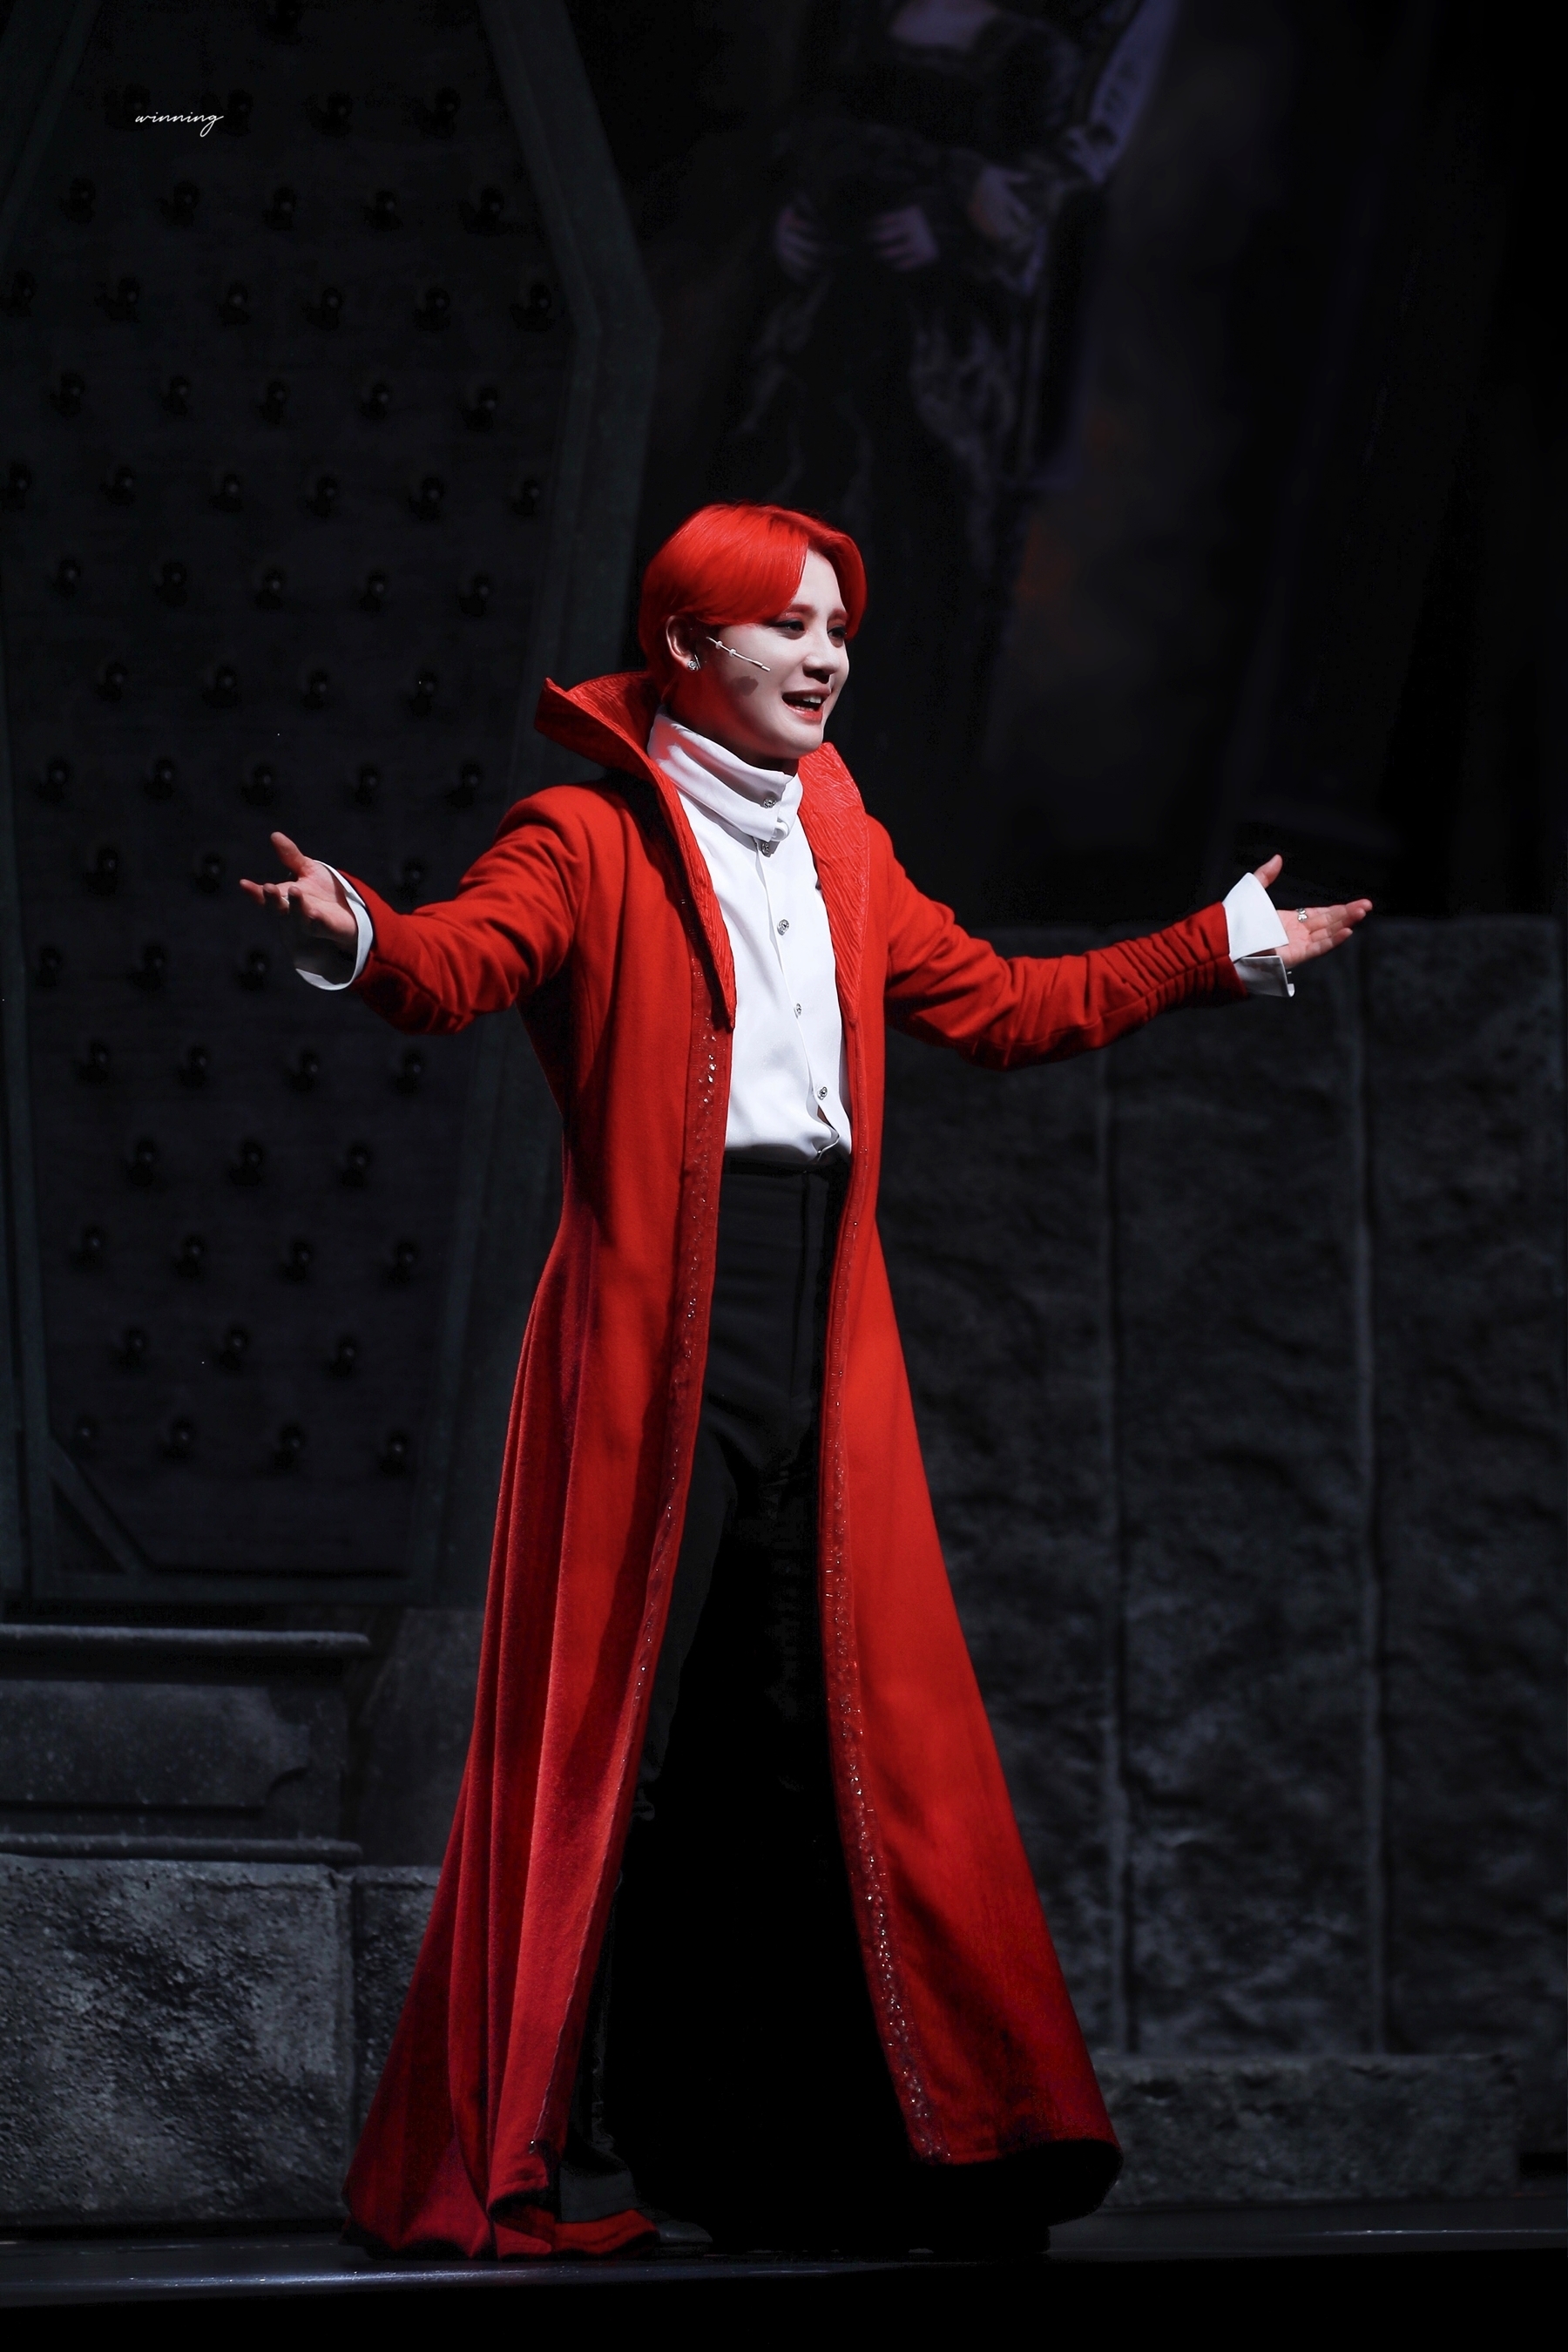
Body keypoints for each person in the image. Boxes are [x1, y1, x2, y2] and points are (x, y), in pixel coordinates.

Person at [242, 501, 1369, 2257]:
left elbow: (1001, 1006)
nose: (826, 655)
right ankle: (539, 2154)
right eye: (787, 624)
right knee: (614, 1751)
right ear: (688, 645)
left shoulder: (840, 831)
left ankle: (810, 2154)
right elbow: (461, 965)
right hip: (652, 1335)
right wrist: (360, 938)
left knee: (810, 1738)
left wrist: (1207, 952)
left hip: (821, 1323)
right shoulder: (582, 834)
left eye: (840, 625)